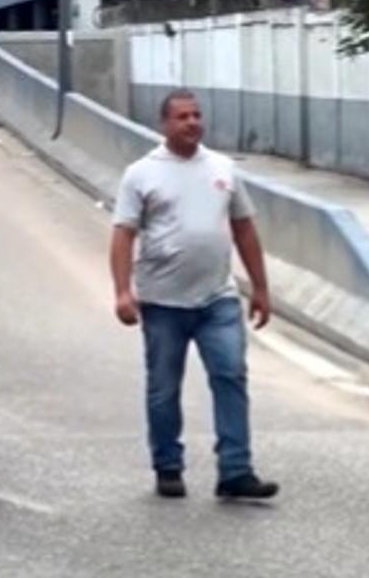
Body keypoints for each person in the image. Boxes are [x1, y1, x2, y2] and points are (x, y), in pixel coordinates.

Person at [110, 88, 278, 501]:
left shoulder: (222, 168)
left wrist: (260, 287)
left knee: (231, 375)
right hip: (163, 301)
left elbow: (244, 228)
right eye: (182, 116)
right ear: (164, 124)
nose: (192, 123)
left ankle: (236, 470)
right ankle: (168, 465)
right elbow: (123, 235)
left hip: (217, 298)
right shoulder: (141, 173)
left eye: (197, 115)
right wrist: (121, 292)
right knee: (164, 387)